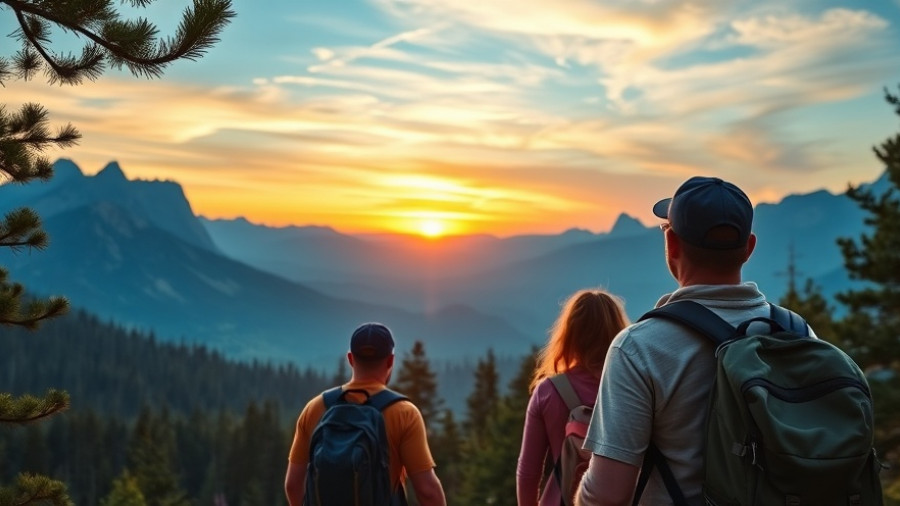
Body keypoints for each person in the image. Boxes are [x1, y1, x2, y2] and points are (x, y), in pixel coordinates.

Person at [575, 176, 814, 506]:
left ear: (671, 244)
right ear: (749, 247)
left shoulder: (638, 348)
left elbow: (606, 496)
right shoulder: (799, 334)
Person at [284, 322, 447, 506]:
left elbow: (293, 485)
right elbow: (427, 491)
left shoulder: (316, 408)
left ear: (351, 358)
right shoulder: (404, 413)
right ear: (390, 361)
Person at [517, 289, 630, 505]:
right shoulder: (633, 386)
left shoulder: (548, 391)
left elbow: (528, 473)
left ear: (570, 333)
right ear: (617, 330)